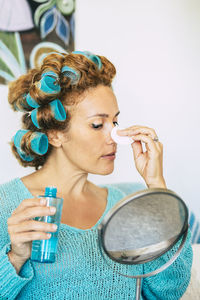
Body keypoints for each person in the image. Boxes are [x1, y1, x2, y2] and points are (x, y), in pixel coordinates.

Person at [0, 51, 192, 300]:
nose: (115, 137)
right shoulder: (6, 206)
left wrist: (157, 188)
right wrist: (15, 258)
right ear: (55, 134)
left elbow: (169, 291)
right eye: (97, 125)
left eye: (115, 122)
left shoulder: (127, 204)